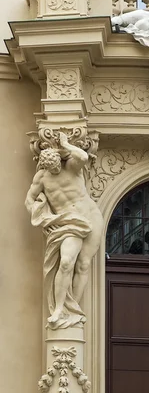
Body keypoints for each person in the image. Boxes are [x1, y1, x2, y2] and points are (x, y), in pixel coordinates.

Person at [25, 132, 103, 329]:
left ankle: (72, 309)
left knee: (83, 265)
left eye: (57, 164)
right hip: (69, 223)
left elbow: (84, 157)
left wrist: (66, 144)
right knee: (67, 262)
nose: (56, 168)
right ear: (45, 165)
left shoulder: (72, 166)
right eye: (51, 167)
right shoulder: (42, 178)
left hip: (91, 217)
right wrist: (43, 218)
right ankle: (60, 308)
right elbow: (29, 200)